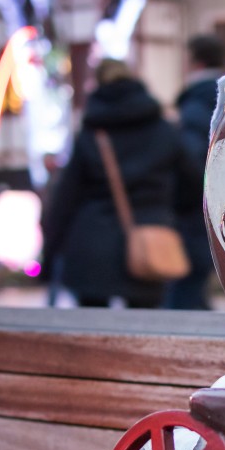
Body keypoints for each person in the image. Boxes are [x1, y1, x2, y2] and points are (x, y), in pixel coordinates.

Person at [41, 59, 187, 308]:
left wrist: (49, 252)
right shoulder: (163, 129)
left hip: (92, 245)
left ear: (97, 84)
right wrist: (165, 212)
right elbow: (192, 183)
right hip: (150, 238)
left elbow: (66, 198)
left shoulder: (92, 133)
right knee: (146, 326)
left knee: (94, 328)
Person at [163, 34, 225, 310]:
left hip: (194, 218)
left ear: (196, 62)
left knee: (182, 301)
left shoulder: (193, 107)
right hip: (224, 211)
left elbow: (193, 166)